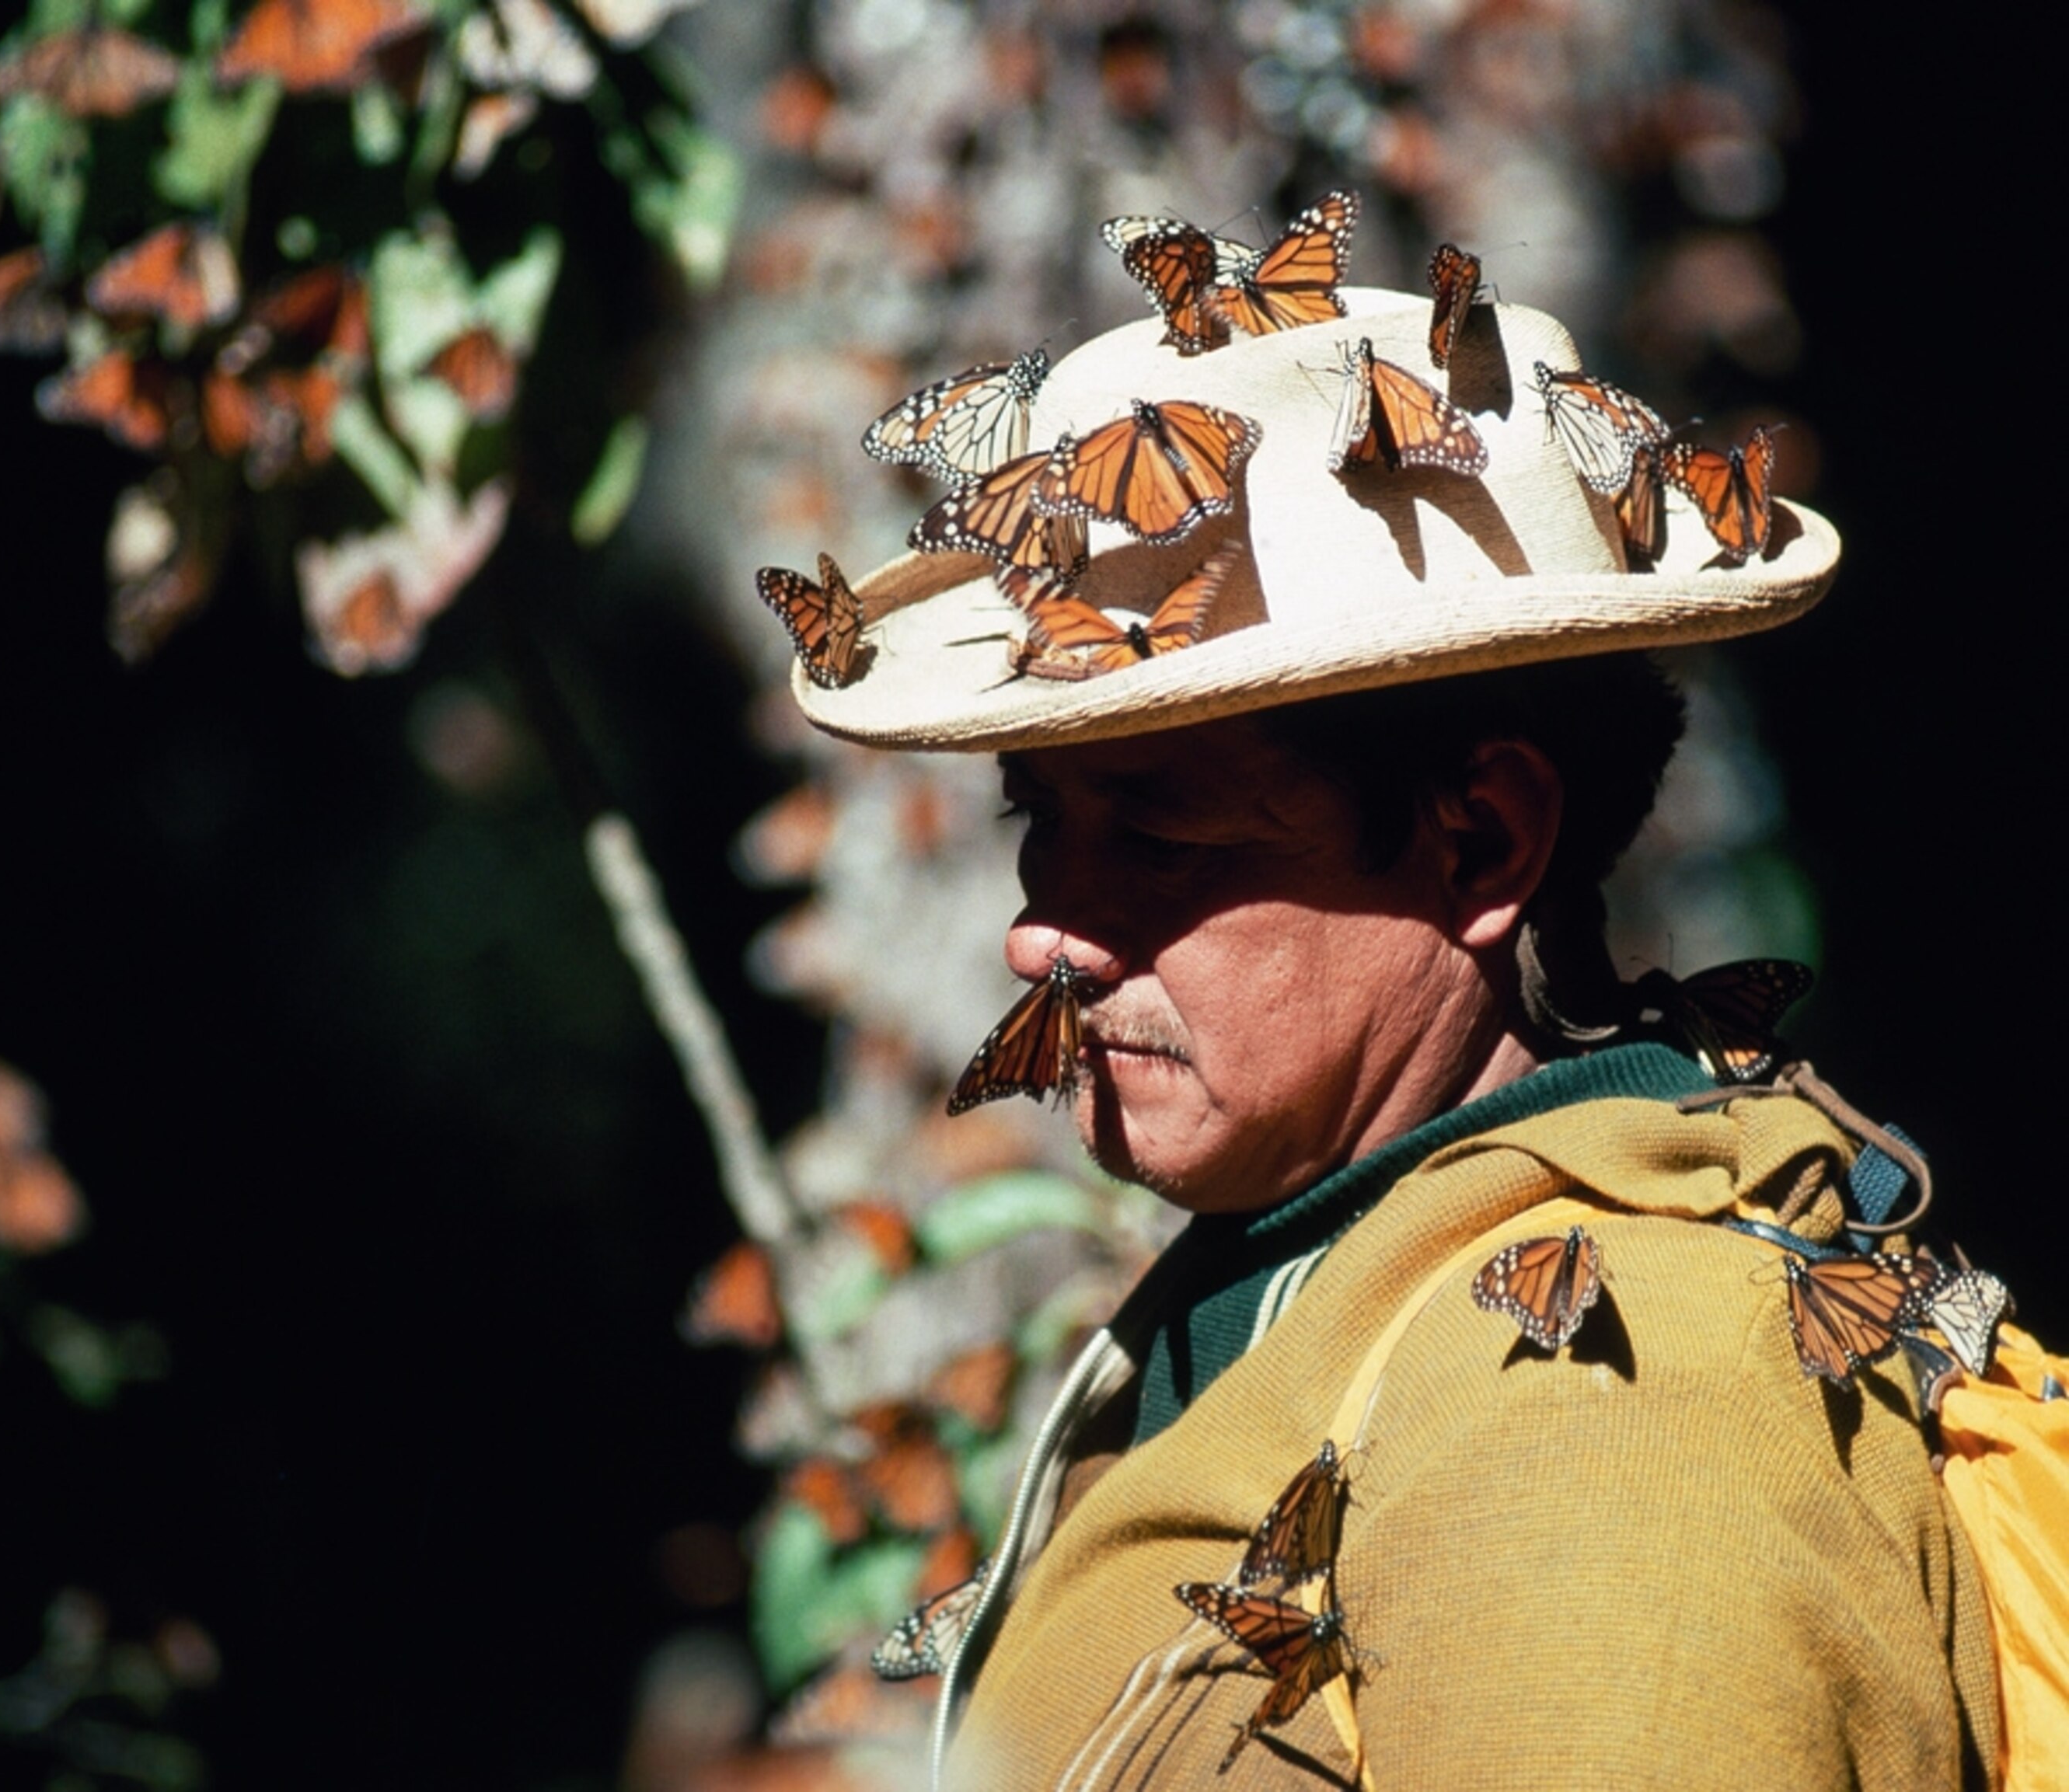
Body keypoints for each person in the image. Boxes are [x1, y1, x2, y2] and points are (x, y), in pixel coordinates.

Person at [783, 285, 2000, 1787]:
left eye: (1159, 837)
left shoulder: (1608, 1396)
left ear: (1480, 839)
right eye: (1038, 819)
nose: (1042, 935)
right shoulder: (1306, 1283)